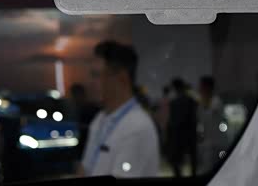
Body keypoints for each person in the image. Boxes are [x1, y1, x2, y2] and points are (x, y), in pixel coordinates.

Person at [80, 40, 160, 177]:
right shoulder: (100, 119)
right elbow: (85, 168)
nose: (90, 82)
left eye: (96, 75)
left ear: (122, 78)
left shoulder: (137, 127)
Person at [166, 78, 198, 177]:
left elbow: (172, 121)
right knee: (192, 159)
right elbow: (194, 118)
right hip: (190, 133)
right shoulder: (191, 101)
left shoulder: (174, 102)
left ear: (175, 88)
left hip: (178, 134)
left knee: (176, 160)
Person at [197, 75, 225, 175]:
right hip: (207, 144)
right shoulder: (203, 102)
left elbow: (209, 115)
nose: (199, 89)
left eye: (201, 86)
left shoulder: (216, 102)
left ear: (207, 87)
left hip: (215, 144)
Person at [68, 83, 101, 158]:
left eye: (76, 95)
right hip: (81, 146)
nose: (74, 98)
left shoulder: (91, 109)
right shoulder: (75, 110)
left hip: (87, 145)